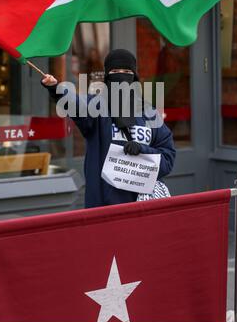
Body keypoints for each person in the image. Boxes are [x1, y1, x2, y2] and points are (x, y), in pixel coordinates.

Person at [41, 49, 176, 208]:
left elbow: (167, 158)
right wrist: (56, 89)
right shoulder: (96, 108)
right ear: (107, 76)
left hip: (142, 205)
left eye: (126, 71)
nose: (121, 76)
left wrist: (142, 150)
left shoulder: (149, 113)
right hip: (103, 207)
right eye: (115, 71)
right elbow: (76, 105)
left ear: (134, 76)